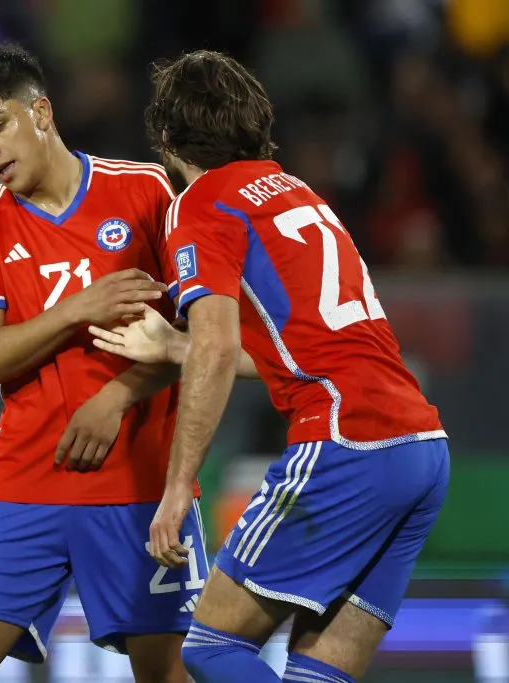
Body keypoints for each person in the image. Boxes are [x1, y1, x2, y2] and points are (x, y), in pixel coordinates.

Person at [89, 50, 449, 683]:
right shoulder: (299, 193)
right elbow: (308, 346)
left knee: (211, 647)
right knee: (318, 674)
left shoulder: (202, 202)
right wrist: (179, 349)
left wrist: (178, 488)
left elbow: (220, 348)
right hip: (421, 446)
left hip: (346, 438)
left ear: (167, 137)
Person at [0, 43, 207, 683]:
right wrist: (75, 309)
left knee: (165, 674)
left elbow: (200, 341)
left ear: (42, 113)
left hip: (138, 479)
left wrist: (115, 399)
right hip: (25, 479)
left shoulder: (144, 191)